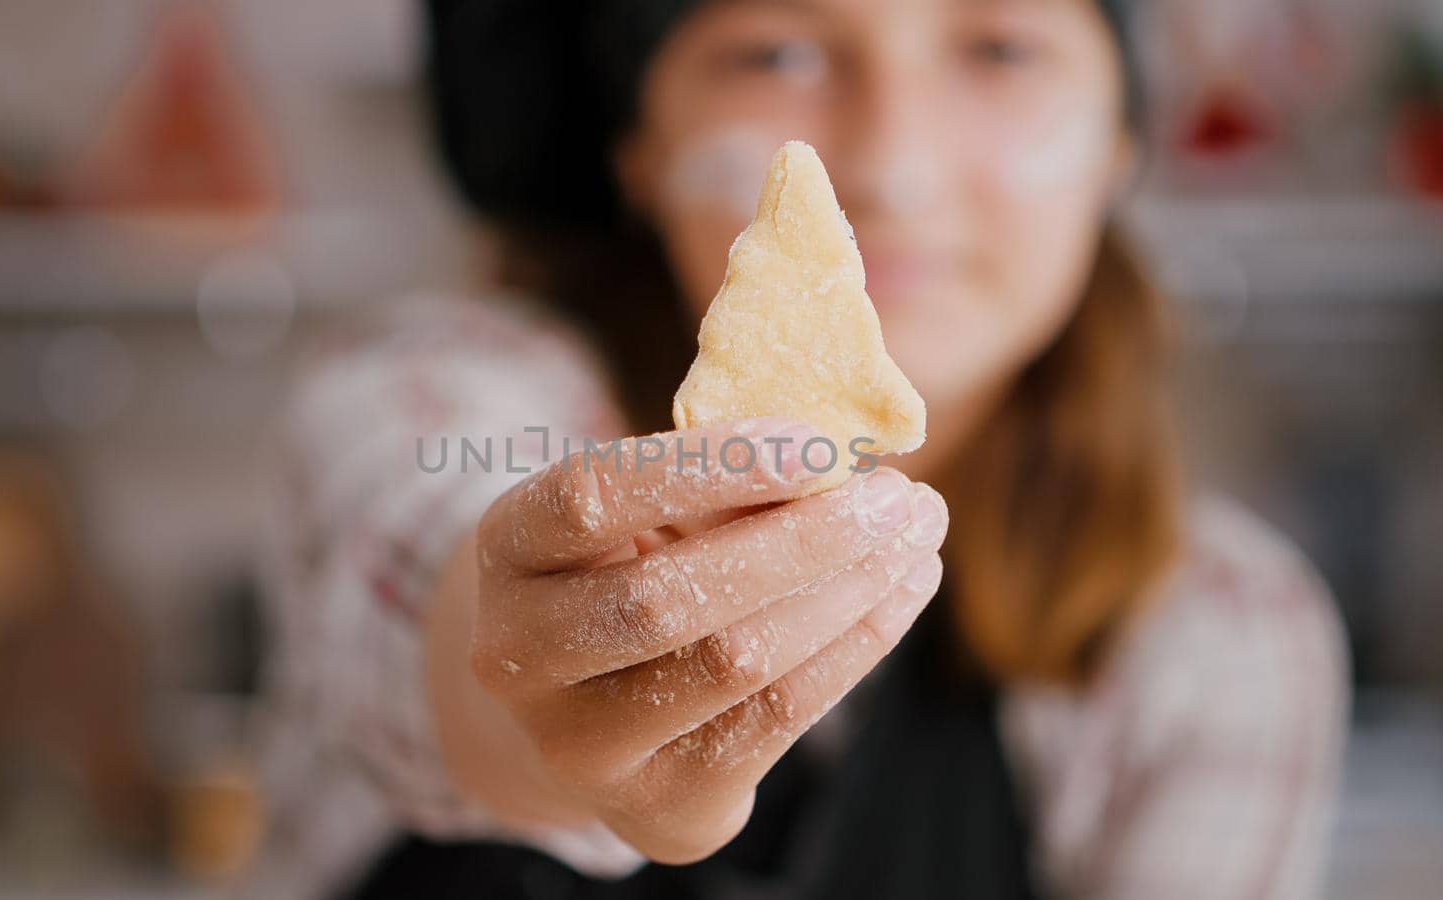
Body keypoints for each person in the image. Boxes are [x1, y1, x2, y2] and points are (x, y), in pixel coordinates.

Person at [256, 1, 1349, 897]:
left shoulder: (1222, 629)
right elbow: (423, 556)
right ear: (638, 144)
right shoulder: (439, 389)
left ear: (1118, 143)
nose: (891, 165)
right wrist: (536, 672)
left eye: (999, 48)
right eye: (775, 51)